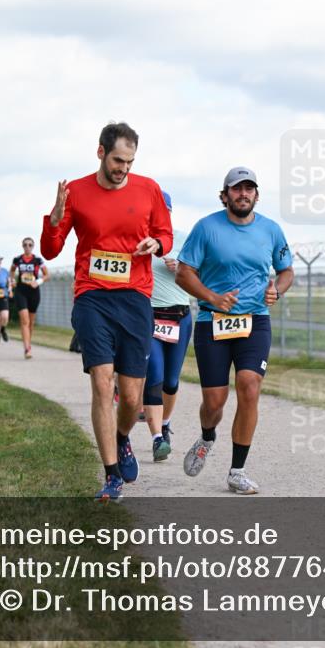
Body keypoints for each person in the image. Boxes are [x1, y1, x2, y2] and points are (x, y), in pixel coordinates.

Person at [40, 121, 172, 502]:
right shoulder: (76, 192)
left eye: (129, 162)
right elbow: (51, 250)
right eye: (117, 160)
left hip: (134, 298)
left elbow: (166, 233)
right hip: (92, 296)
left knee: (131, 398)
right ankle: (111, 476)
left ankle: (122, 437)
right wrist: (54, 217)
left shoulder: (148, 189)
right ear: (101, 152)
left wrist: (156, 244)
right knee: (101, 380)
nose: (123, 169)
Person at [175, 167, 294, 495]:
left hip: (255, 321)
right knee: (214, 402)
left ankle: (237, 471)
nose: (243, 194)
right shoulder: (206, 228)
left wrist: (277, 291)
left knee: (249, 385)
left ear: (257, 194)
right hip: (212, 321)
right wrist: (213, 298)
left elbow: (286, 271)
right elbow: (184, 274)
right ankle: (207, 436)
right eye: (236, 189)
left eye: (249, 189)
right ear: (224, 195)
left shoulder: (271, 230)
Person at [142, 192, 192, 462]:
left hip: (180, 318)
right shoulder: (138, 239)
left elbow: (203, 274)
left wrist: (182, 270)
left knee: (171, 382)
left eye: (165, 210)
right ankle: (156, 439)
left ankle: (165, 424)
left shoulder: (184, 239)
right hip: (150, 317)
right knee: (155, 377)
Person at [10, 237, 49, 359]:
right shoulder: (17, 259)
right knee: (25, 320)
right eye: (25, 245)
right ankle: (27, 348)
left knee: (31, 322)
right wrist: (12, 281)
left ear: (33, 246)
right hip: (21, 291)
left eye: (30, 245)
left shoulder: (38, 260)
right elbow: (12, 271)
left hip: (34, 292)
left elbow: (47, 275)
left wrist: (38, 282)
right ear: (22, 246)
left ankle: (28, 343)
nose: (27, 247)